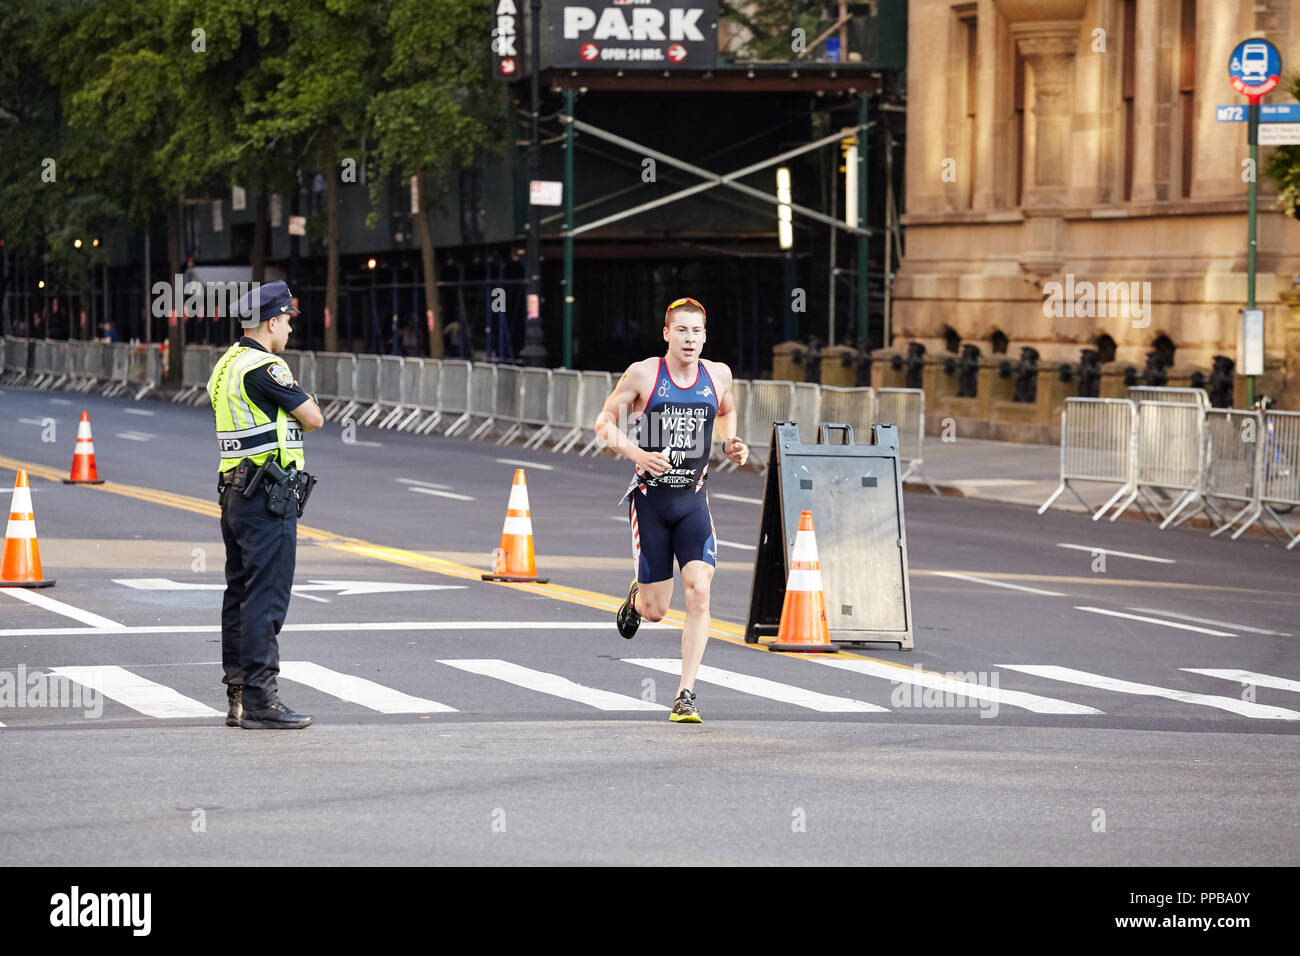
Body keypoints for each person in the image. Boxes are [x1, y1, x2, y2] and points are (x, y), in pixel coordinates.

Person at [593, 297, 748, 723]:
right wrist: (637, 453)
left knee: (699, 588)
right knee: (657, 610)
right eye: (681, 330)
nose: (690, 339)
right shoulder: (644, 374)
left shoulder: (718, 375)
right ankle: (636, 599)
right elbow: (604, 422)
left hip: (692, 500)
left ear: (705, 336)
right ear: (667, 334)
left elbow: (727, 411)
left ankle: (685, 694)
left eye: (697, 331)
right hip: (651, 504)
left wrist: (731, 442)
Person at [208, 280, 324, 729]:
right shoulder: (266, 367)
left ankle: (238, 696)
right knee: (266, 598)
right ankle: (261, 700)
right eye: (288, 321)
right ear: (271, 321)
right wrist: (305, 399)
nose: (291, 330)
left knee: (239, 593)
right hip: (268, 499)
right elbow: (312, 418)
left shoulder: (225, 366)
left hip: (235, 495)